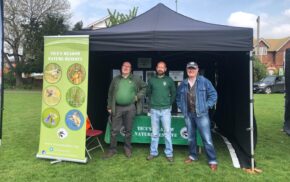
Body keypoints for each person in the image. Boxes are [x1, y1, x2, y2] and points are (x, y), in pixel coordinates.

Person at [176, 61, 218, 171]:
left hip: (202, 114)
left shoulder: (204, 81)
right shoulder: (183, 83)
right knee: (190, 138)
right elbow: (178, 98)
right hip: (188, 115)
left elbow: (213, 95)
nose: (191, 70)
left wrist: (206, 106)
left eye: (193, 68)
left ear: (197, 70)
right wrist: (182, 108)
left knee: (207, 139)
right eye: (189, 68)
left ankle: (212, 160)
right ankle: (192, 156)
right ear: (186, 70)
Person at [104, 61, 147, 158]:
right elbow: (110, 93)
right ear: (121, 67)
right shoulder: (116, 79)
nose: (126, 68)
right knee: (114, 130)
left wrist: (137, 97)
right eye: (124, 66)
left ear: (131, 69)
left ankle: (127, 148)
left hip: (130, 107)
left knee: (128, 130)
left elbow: (144, 87)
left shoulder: (135, 79)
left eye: (128, 66)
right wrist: (109, 106)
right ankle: (112, 150)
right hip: (117, 107)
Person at [146, 61, 176, 162]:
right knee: (155, 133)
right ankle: (153, 152)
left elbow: (174, 93)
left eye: (162, 67)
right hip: (154, 110)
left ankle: (169, 153)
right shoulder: (151, 80)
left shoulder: (169, 80)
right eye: (159, 67)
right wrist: (153, 102)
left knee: (167, 133)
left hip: (166, 110)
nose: (160, 69)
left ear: (165, 69)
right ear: (156, 68)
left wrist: (168, 103)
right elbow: (148, 93)